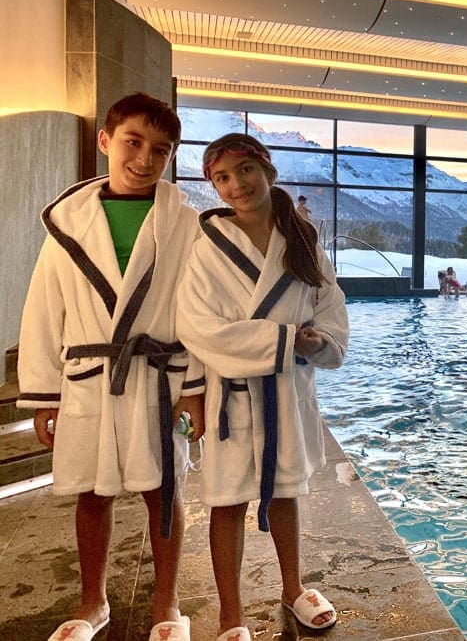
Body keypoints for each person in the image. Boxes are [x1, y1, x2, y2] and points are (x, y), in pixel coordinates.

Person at [16, 93, 205, 641]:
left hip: (158, 379)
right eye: (133, 142)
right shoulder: (67, 224)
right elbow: (45, 310)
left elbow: (195, 312)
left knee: (163, 490)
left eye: (160, 150)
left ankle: (167, 606)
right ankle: (92, 602)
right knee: (91, 494)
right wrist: (44, 394)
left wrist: (194, 388)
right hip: (89, 381)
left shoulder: (184, 225)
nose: (145, 159)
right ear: (105, 140)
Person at [176, 134, 349, 640]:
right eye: (222, 178)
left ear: (268, 171)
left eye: (245, 170)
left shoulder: (303, 240)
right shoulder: (206, 246)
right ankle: (231, 614)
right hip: (231, 395)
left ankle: (292, 587)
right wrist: (281, 339)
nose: (237, 185)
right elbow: (197, 326)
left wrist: (318, 343)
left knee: (287, 490)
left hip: (287, 390)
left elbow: (330, 306)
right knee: (226, 500)